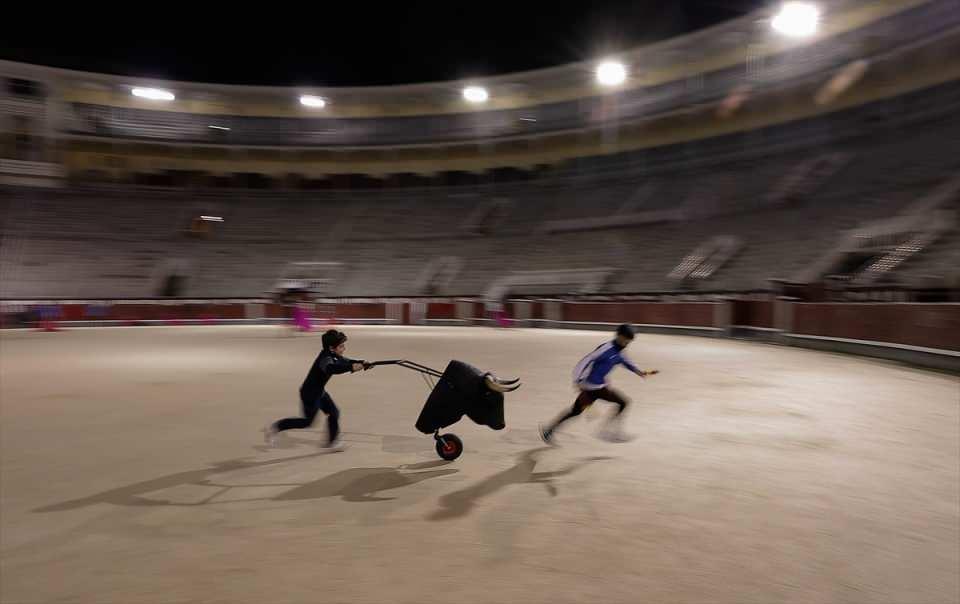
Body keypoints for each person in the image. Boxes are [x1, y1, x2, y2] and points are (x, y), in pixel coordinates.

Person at [540, 323, 658, 444]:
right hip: (590, 388)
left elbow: (626, 361)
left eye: (629, 341)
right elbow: (584, 362)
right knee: (578, 411)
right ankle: (550, 430)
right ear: (620, 336)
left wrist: (639, 372)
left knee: (621, 403)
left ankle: (606, 432)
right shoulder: (604, 349)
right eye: (627, 340)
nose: (628, 343)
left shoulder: (620, 351)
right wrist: (577, 381)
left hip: (601, 387)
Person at [264, 329, 371, 451]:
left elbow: (345, 361)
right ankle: (275, 427)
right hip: (310, 394)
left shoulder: (332, 354)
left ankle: (332, 443)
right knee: (307, 422)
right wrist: (352, 367)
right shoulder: (325, 359)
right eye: (341, 346)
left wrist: (361, 362)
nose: (344, 348)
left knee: (334, 412)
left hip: (319, 391)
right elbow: (332, 368)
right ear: (331, 348)